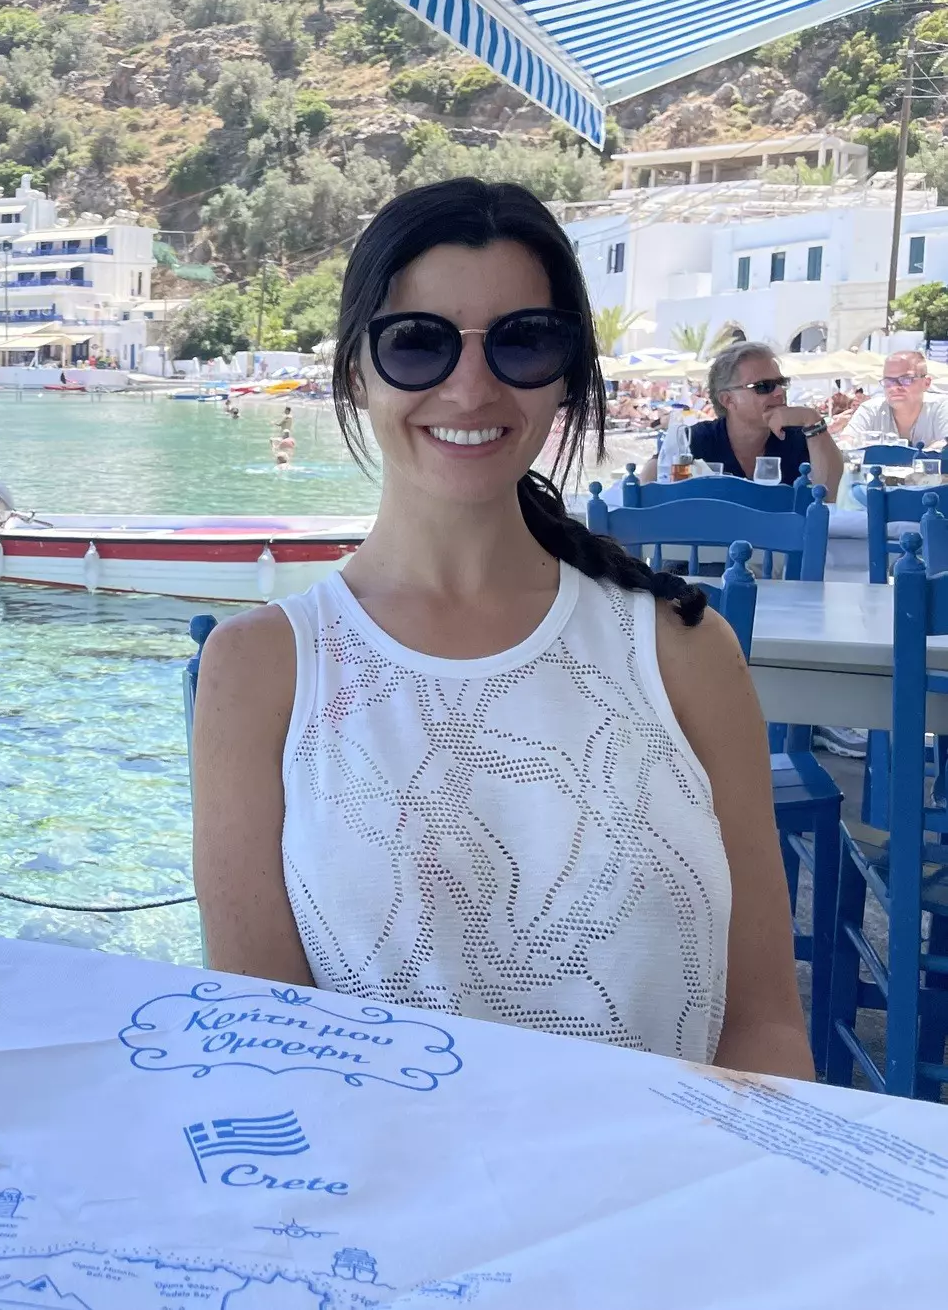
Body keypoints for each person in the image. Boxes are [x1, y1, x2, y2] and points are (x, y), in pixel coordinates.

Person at [192, 178, 812, 1079]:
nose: (471, 387)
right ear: (356, 370)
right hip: (385, 1205)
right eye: (417, 344)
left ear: (566, 373)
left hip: (661, 1198)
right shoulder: (258, 673)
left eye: (523, 340)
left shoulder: (682, 653)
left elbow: (764, 1029)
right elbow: (269, 1052)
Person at [635, 341, 842, 492]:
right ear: (728, 400)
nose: (779, 392)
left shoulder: (799, 437)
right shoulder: (697, 440)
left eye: (781, 383)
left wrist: (813, 420)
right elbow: (648, 483)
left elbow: (828, 493)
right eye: (764, 387)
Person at [832, 350, 948, 450]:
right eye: (889, 381)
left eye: (906, 379)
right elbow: (846, 443)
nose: (894, 387)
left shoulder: (942, 406)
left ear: (926, 383)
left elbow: (945, 445)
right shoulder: (870, 409)